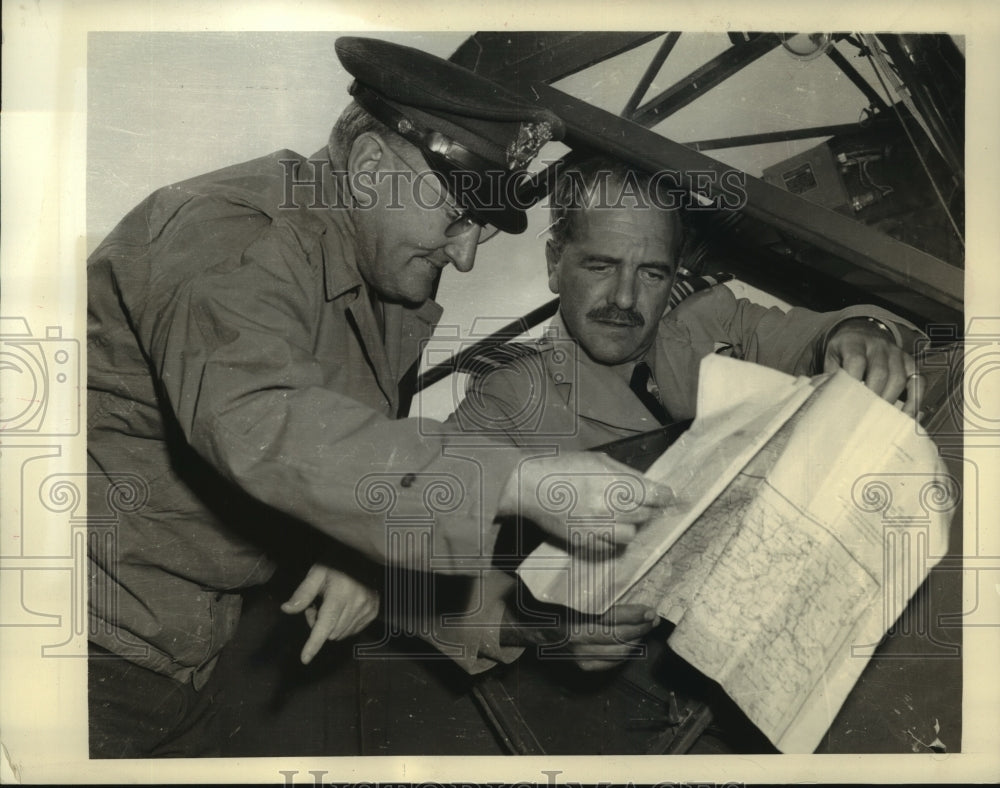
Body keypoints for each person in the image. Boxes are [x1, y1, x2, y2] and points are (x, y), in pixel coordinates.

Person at [86, 39, 674, 758]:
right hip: (83, 649)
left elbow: (363, 489)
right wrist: (520, 480)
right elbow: (266, 419)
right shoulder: (230, 233)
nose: (462, 255)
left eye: (481, 233)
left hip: (173, 663)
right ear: (370, 170)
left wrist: (543, 627)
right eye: (456, 218)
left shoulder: (384, 294)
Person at [430, 154, 926, 670]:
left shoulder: (710, 320)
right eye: (600, 266)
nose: (623, 298)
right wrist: (535, 627)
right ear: (555, 263)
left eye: (651, 273)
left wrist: (866, 332)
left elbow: (816, 337)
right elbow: (398, 557)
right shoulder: (509, 399)